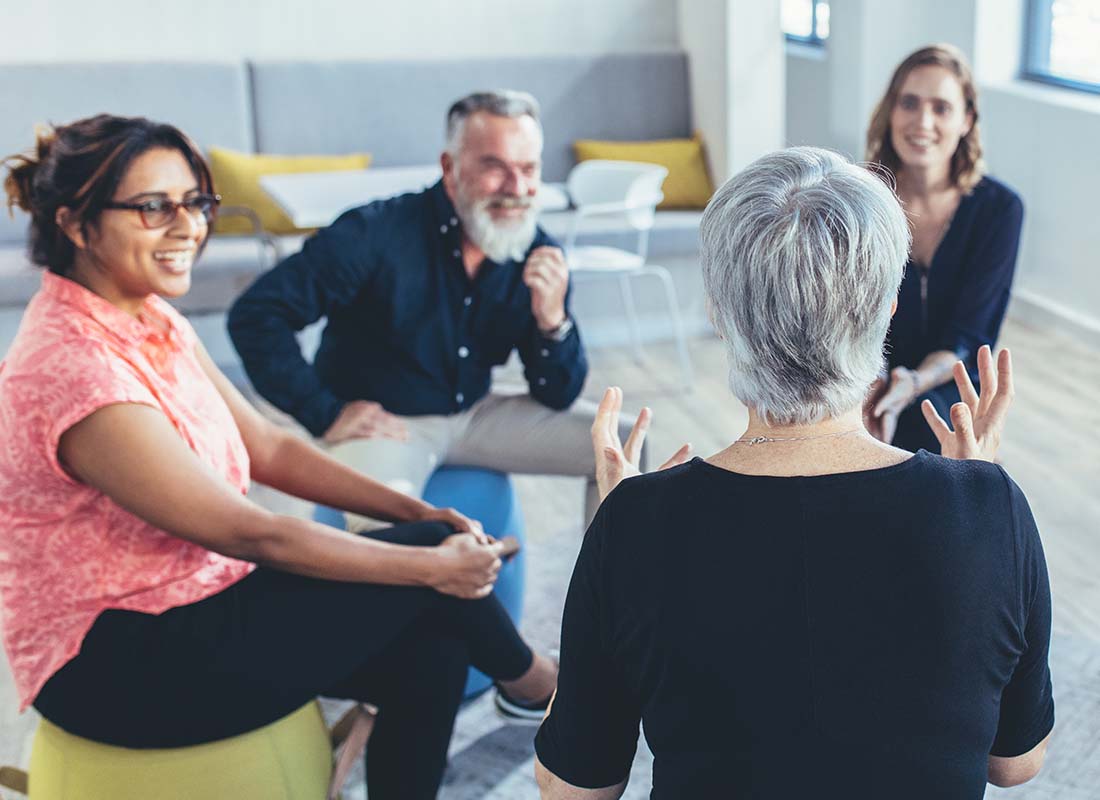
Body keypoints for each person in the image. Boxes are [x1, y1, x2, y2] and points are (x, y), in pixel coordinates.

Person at [0, 114, 559, 800]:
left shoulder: (146, 316)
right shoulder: (74, 369)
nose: (187, 228)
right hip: (114, 663)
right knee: (429, 585)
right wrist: (428, 563)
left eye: (195, 202)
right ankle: (533, 682)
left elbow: (263, 445)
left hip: (194, 602)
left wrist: (412, 510)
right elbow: (249, 530)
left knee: (433, 628)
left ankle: (526, 685)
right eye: (153, 208)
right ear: (77, 226)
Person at [534, 148, 1053, 799]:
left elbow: (574, 788)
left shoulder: (636, 525)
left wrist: (614, 536)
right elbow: (1015, 763)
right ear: (888, 307)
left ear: (719, 311)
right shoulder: (989, 507)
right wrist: (976, 510)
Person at [228, 90, 648, 533]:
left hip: (475, 413)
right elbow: (256, 315)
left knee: (621, 448)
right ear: (450, 168)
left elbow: (558, 394)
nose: (517, 189)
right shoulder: (373, 233)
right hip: (390, 424)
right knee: (393, 546)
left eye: (528, 170)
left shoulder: (538, 250)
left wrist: (552, 321)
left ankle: (607, 597)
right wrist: (324, 411)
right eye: (495, 167)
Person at [864, 44, 1024, 453]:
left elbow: (969, 333)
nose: (923, 121)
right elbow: (846, 313)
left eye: (941, 108)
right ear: (891, 112)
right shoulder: (858, 198)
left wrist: (912, 383)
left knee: (937, 426)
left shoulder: (999, 210)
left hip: (949, 385)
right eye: (909, 103)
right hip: (865, 376)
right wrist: (878, 383)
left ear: (967, 120)